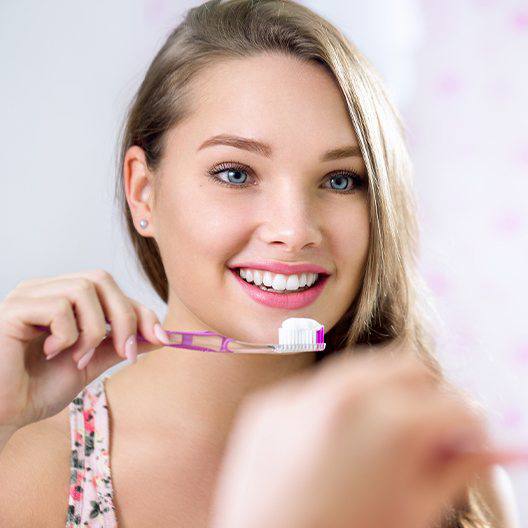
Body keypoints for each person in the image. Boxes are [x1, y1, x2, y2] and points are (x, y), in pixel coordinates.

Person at [0, 0, 520, 526]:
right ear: (143, 191)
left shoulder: (450, 482)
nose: (294, 231)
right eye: (235, 173)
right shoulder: (29, 472)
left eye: (341, 180)